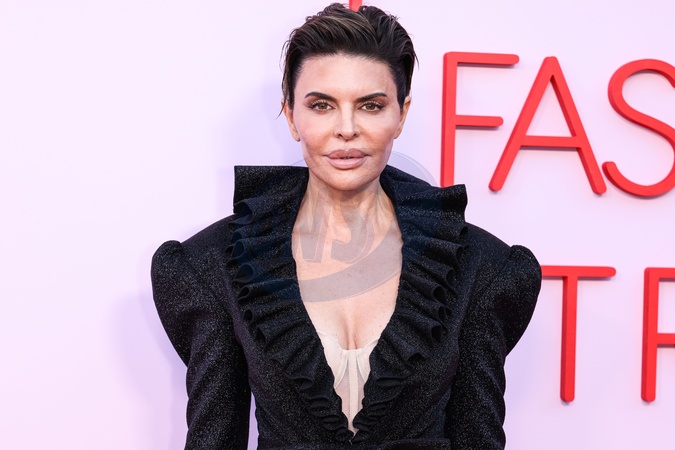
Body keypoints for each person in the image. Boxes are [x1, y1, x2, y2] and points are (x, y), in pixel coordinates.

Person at [151, 3, 541, 449]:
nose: (347, 129)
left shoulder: (479, 266)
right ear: (291, 115)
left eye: (371, 106)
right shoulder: (214, 263)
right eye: (322, 105)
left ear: (401, 115)